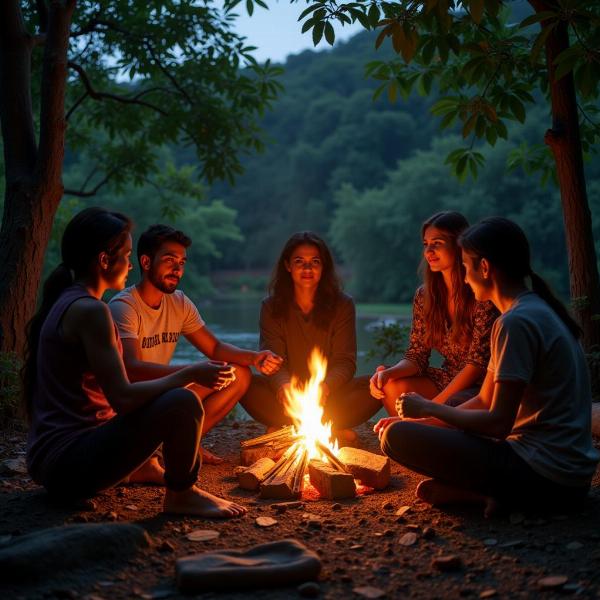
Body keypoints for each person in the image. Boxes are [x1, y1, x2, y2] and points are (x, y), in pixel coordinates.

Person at [24, 207, 246, 517]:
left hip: (52, 460)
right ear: (104, 260)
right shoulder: (92, 311)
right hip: (69, 463)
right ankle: (182, 494)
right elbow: (124, 398)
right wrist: (190, 372)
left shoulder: (71, 301)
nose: (131, 264)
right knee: (182, 401)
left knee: (174, 396)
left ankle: (144, 468)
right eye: (127, 255)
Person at [375, 217, 600, 514]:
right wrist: (421, 423)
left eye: (467, 267)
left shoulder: (515, 323)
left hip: (548, 477)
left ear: (484, 268)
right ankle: (484, 496)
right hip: (565, 476)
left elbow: (497, 423)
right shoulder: (525, 311)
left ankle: (500, 498)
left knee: (396, 438)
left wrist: (428, 408)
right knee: (408, 429)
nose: (465, 277)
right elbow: (483, 399)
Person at [109, 224, 282, 467]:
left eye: (182, 262)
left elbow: (214, 348)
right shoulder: (124, 307)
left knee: (239, 374)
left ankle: (184, 442)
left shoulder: (179, 302)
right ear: (146, 262)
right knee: (204, 380)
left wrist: (255, 358)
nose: (177, 268)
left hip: (164, 394)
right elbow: (132, 369)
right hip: (134, 402)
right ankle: (159, 447)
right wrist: (191, 372)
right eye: (169, 260)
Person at [241, 231, 381, 441]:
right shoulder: (271, 307)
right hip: (285, 401)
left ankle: (287, 431)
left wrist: (324, 388)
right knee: (242, 381)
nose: (307, 268)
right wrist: (284, 387)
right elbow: (272, 360)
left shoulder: (343, 305)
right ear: (288, 265)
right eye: (300, 261)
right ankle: (327, 432)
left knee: (377, 385)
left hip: (330, 399)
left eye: (315, 261)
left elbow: (345, 362)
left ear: (323, 267)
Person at [370, 211, 498, 413]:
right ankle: (417, 432)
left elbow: (476, 366)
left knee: (449, 404)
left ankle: (425, 429)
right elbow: (417, 355)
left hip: (481, 385)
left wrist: (432, 407)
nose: (429, 251)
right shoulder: (425, 295)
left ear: (458, 245)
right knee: (390, 386)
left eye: (437, 243)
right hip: (448, 377)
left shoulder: (480, 294)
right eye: (425, 244)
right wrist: (388, 374)